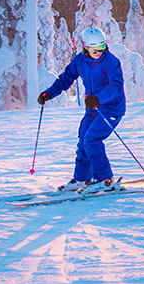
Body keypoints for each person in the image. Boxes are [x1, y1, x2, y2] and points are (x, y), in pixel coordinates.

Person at [37, 26, 126, 193]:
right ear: (85, 47)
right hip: (93, 108)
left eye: (101, 48)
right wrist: (49, 93)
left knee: (92, 139)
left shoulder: (111, 61)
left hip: (111, 108)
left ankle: (106, 180)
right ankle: (82, 179)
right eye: (94, 50)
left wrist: (98, 98)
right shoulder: (80, 61)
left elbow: (116, 87)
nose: (99, 52)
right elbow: (66, 79)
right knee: (83, 140)